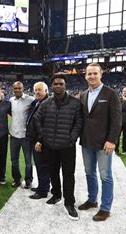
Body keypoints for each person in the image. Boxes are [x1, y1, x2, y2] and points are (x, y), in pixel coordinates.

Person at [34, 74, 83, 220]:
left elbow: (79, 122)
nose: (58, 86)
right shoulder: (46, 103)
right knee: (53, 172)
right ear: (52, 86)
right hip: (50, 145)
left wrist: (72, 137)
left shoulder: (75, 102)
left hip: (67, 146)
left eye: (61, 84)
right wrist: (44, 136)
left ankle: (69, 203)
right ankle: (56, 195)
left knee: (68, 175)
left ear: (65, 85)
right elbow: (37, 119)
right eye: (55, 84)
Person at [79, 63, 121, 222]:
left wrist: (112, 140)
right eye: (89, 74)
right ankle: (92, 200)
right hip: (87, 142)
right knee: (89, 173)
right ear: (85, 76)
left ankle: (105, 208)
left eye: (95, 73)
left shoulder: (111, 93)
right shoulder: (83, 94)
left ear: (101, 75)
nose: (92, 76)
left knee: (105, 176)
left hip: (104, 143)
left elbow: (116, 119)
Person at [9, 81, 35, 188]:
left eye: (19, 88)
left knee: (28, 161)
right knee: (14, 160)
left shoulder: (30, 99)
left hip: (26, 136)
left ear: (23, 88)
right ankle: (16, 179)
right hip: (14, 135)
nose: (17, 90)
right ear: (13, 89)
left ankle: (28, 180)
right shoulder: (11, 100)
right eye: (15, 88)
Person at [27, 82, 50, 199]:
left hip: (40, 140)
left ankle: (43, 191)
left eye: (39, 90)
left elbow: (46, 125)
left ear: (46, 90)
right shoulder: (37, 102)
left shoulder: (47, 103)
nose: (37, 92)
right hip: (34, 138)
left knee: (41, 165)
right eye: (35, 90)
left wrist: (40, 141)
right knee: (40, 164)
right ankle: (43, 186)